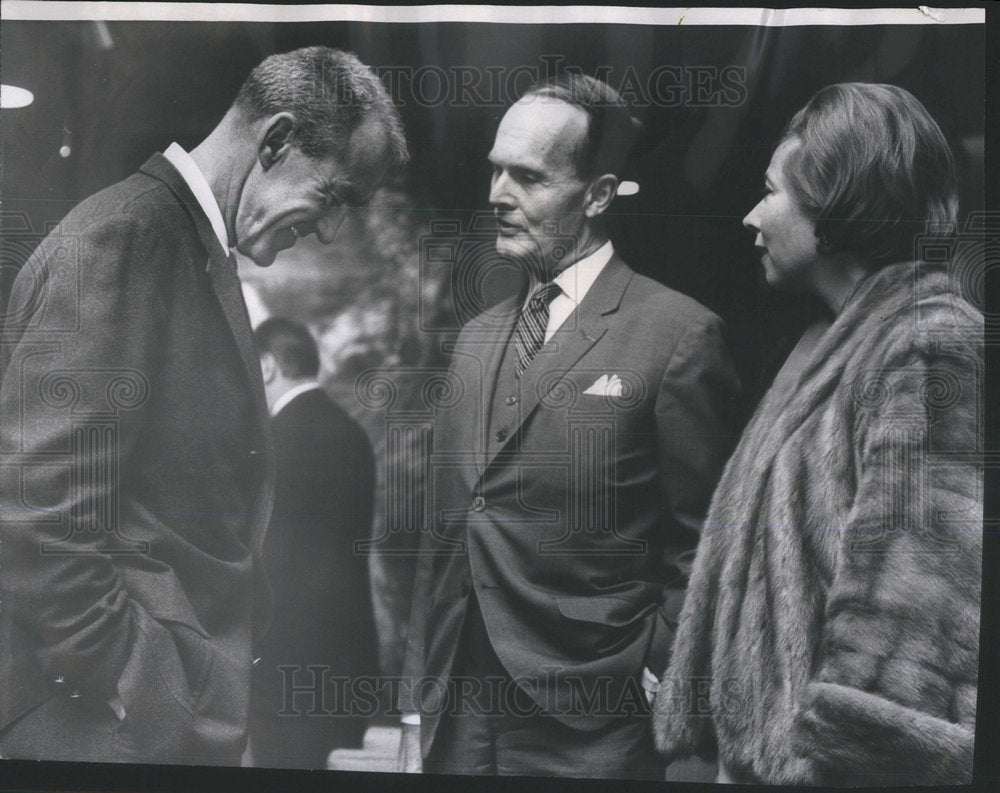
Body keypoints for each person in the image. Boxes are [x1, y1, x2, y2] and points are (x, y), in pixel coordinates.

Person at [0, 47, 406, 764]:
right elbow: (38, 513)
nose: (331, 230)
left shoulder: (176, 242)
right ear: (275, 140)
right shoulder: (127, 238)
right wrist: (142, 686)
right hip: (98, 729)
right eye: (336, 196)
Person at [397, 73, 741, 779]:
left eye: (527, 177)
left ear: (599, 194)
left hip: (595, 731)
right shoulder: (475, 338)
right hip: (458, 726)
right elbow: (442, 541)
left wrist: (651, 675)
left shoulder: (677, 335)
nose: (497, 195)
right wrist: (415, 709)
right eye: (495, 171)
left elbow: (706, 549)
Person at [652, 83, 982, 786]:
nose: (751, 215)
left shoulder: (930, 341)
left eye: (771, 192)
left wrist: (842, 757)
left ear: (834, 206)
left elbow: (914, 610)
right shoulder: (822, 344)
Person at [249, 317, 378, 769]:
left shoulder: (270, 445)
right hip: (349, 658)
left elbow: (266, 561)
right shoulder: (353, 433)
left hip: (284, 662)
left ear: (266, 366)